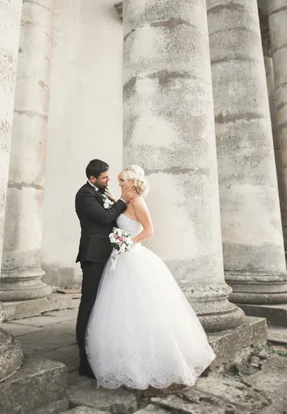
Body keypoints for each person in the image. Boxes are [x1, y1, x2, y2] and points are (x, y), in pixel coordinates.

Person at [85, 165, 216, 390]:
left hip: (133, 256)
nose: (120, 183)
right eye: (119, 180)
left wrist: (127, 243)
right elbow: (123, 215)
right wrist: (116, 200)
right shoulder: (126, 201)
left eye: (123, 180)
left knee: (146, 305)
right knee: (122, 307)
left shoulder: (138, 202)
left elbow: (148, 230)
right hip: (121, 258)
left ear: (134, 182)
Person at [75, 159, 134, 378]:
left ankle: (99, 350)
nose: (108, 180)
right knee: (88, 305)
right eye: (104, 178)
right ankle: (84, 361)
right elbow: (105, 217)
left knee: (103, 304)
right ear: (92, 179)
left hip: (107, 254)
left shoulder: (100, 191)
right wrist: (122, 201)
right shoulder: (84, 195)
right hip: (93, 256)